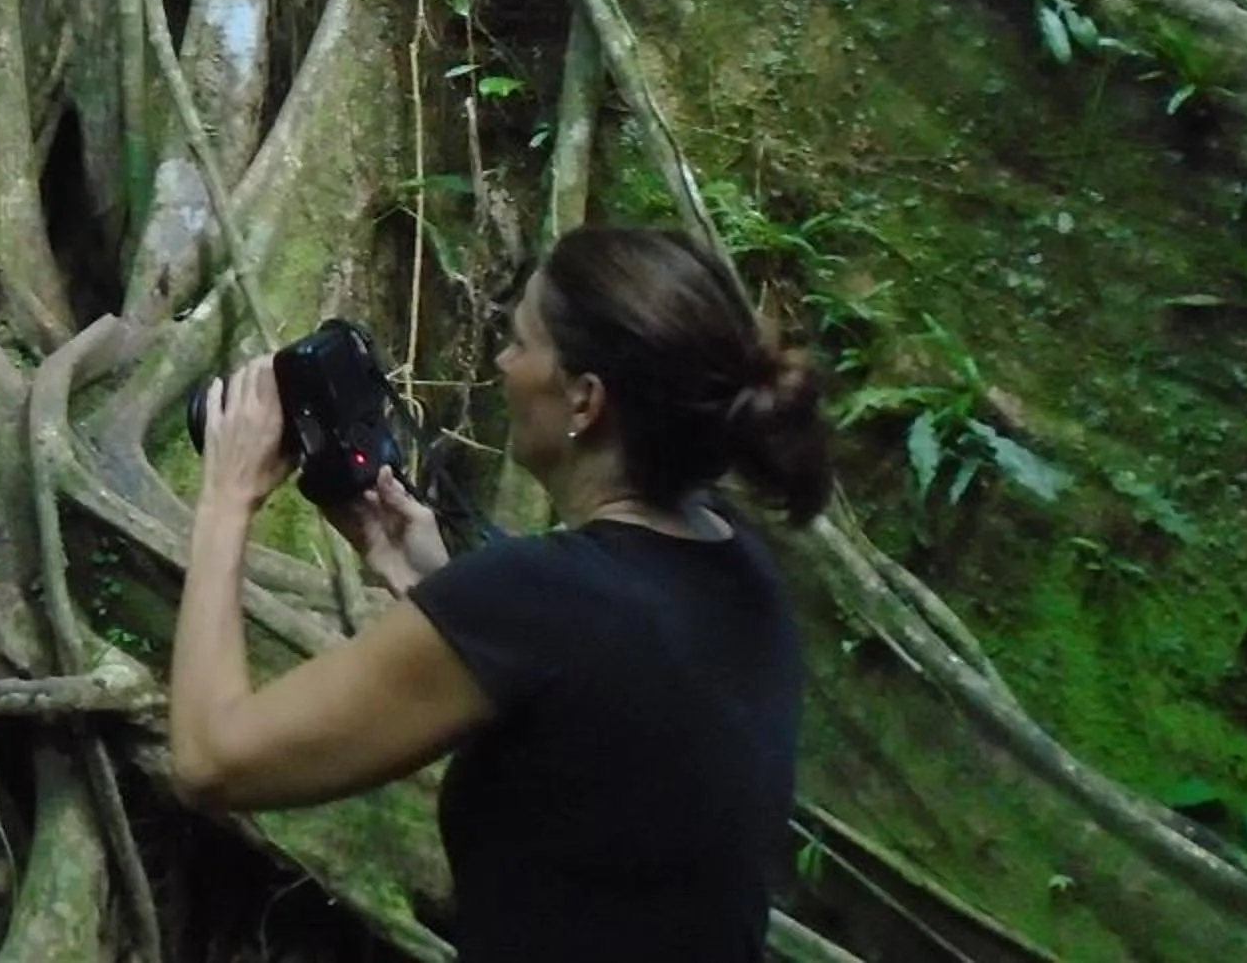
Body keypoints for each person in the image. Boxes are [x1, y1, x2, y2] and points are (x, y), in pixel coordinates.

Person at [168, 226, 834, 962]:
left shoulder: (538, 601)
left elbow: (210, 759)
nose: (501, 362)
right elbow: (595, 727)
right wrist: (435, 585)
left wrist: (226, 500)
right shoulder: (739, 562)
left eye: (520, 342)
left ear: (584, 399)